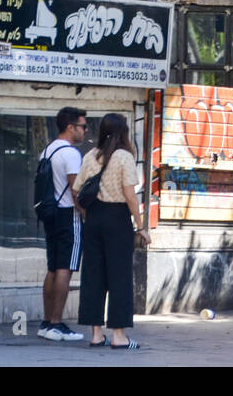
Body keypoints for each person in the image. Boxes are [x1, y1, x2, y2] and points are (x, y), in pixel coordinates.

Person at [74, 113, 149, 349]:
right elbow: (129, 195)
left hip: (94, 217)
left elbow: (77, 191)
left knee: (93, 275)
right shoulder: (124, 157)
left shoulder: (89, 156)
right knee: (119, 276)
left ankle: (96, 334)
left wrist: (88, 215)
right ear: (123, 132)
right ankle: (118, 336)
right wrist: (140, 226)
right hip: (117, 219)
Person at [38, 107, 87, 342]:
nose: (85, 130)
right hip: (68, 215)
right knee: (65, 269)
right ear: (71, 127)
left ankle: (47, 322)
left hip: (50, 214)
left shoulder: (47, 151)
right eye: (82, 126)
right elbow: (76, 190)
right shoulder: (70, 154)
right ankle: (57, 323)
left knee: (52, 268)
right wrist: (86, 213)